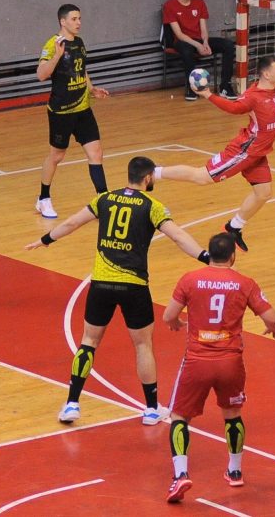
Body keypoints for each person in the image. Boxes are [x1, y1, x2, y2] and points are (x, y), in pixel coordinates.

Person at [25, 156, 210, 426]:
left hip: (101, 283)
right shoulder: (152, 206)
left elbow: (72, 223)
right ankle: (151, 409)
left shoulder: (105, 199)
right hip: (134, 285)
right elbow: (179, 236)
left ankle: (72, 403)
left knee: (89, 341)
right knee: (143, 345)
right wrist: (206, 257)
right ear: (148, 178)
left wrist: (45, 240)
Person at [161, 232, 275, 503]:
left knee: (179, 417)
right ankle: (235, 471)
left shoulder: (189, 279)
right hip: (230, 362)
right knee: (233, 413)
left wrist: (176, 323)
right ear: (233, 256)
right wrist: (274, 329)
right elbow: (272, 318)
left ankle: (181, 475)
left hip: (197, 361)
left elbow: (169, 316)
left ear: (209, 254)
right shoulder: (245, 283)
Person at [152, 56, 275, 253]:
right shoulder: (252, 96)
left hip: (258, 154)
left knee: (264, 193)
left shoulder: (272, 92)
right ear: (266, 74)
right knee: (201, 177)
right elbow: (234, 108)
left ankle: (234, 227)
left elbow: (266, 109)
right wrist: (208, 94)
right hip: (244, 151)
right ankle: (153, 173)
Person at [35, 3, 110, 219]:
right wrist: (57, 56)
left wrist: (92, 89)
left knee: (96, 153)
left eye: (79, 19)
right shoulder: (53, 44)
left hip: (83, 109)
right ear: (63, 21)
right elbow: (41, 75)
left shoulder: (79, 42)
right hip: (61, 112)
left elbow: (82, 70)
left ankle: (103, 200)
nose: (79, 23)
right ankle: (43, 199)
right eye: (74, 19)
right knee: (56, 156)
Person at [162, 0, 237, 101]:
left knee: (228, 45)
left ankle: (225, 86)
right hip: (182, 41)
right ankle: (192, 88)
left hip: (198, 40)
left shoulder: (199, 3)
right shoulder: (170, 5)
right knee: (186, 50)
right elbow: (179, 34)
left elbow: (203, 28)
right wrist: (198, 45)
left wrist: (205, 42)